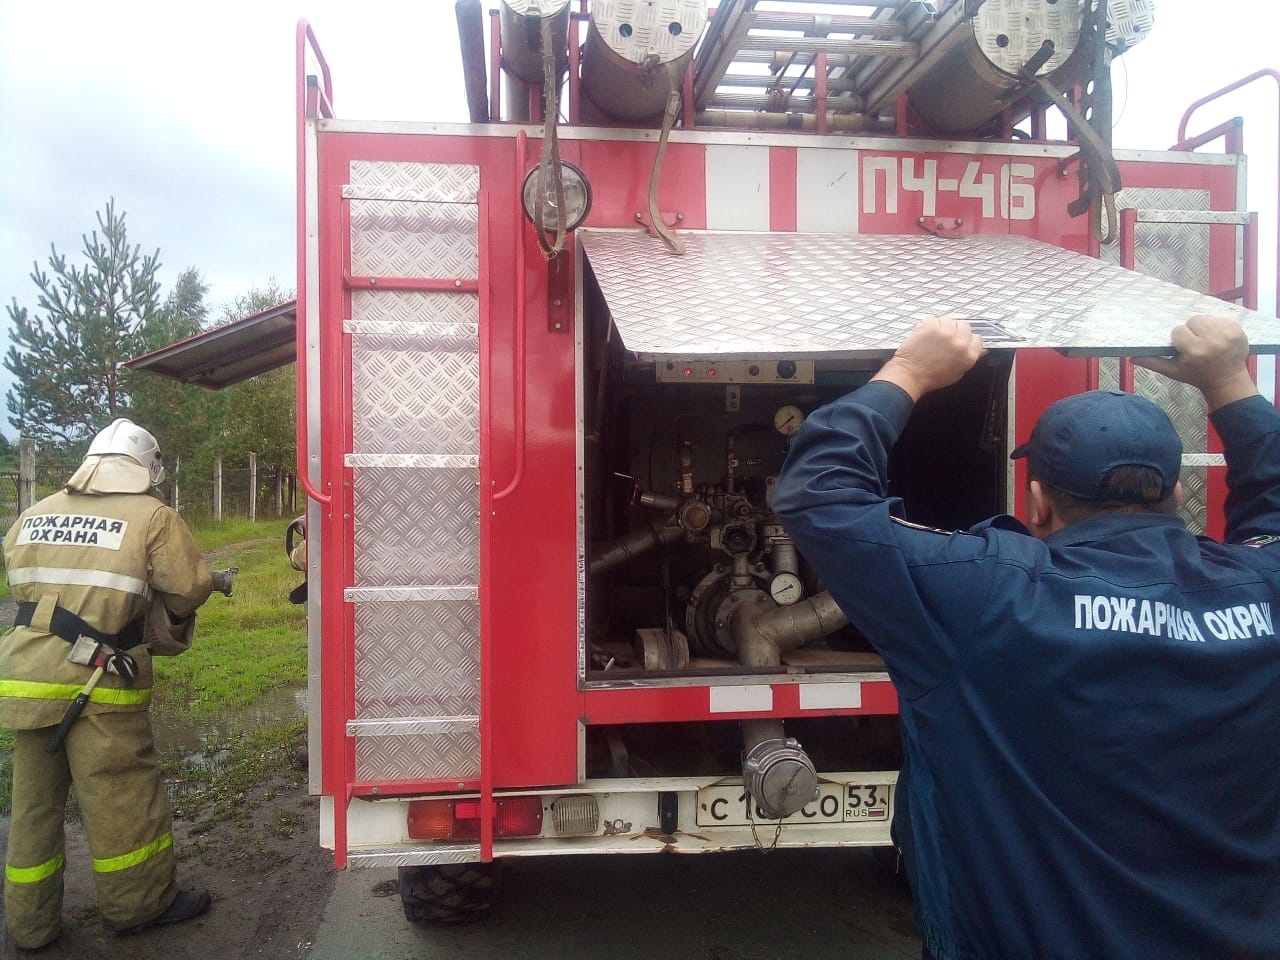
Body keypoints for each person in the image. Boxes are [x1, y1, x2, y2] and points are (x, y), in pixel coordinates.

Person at [772, 315, 1280, 960]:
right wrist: (1231, 381)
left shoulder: (986, 594)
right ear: (1178, 491)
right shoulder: (1263, 591)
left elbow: (818, 498)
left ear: (1037, 501)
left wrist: (912, 370)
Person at [1, 418, 214, 949]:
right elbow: (188, 588)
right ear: (147, 467)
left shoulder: (36, 512)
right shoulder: (152, 516)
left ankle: (30, 927)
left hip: (26, 675)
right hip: (96, 681)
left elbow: (21, 578)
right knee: (122, 798)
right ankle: (138, 906)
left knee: (33, 807)